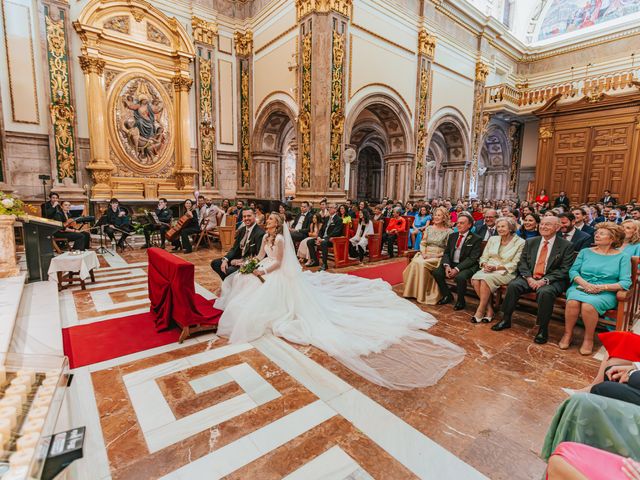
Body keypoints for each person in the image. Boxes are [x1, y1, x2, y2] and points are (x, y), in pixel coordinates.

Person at [215, 213, 465, 390]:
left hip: (276, 273)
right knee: (243, 279)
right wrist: (251, 266)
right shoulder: (266, 238)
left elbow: (279, 263)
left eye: (268, 220)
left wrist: (263, 272)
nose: (265, 222)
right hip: (266, 268)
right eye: (266, 220)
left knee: (266, 290)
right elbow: (261, 256)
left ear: (276, 224)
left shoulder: (280, 239)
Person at [492, 216, 575, 344]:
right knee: (514, 286)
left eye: (548, 224)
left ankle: (542, 329)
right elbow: (522, 262)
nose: (543, 227)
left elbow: (564, 269)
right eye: (542, 224)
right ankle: (505, 319)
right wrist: (529, 278)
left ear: (557, 228)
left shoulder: (566, 245)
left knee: (545, 292)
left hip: (552, 280)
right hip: (530, 276)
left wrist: (544, 280)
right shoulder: (531, 241)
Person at [561, 222, 632, 355]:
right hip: (581, 286)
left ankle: (588, 339)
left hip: (606, 291)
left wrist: (602, 287)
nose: (597, 235)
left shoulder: (623, 257)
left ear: (613, 239)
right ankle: (567, 334)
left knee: (589, 306)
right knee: (572, 302)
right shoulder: (585, 252)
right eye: (597, 233)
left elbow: (625, 282)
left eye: (601, 233)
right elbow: (573, 271)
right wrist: (584, 284)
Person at [470, 217, 525, 323]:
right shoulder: (493, 239)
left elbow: (515, 264)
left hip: (506, 271)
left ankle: (480, 310)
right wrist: (485, 264)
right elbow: (484, 257)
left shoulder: (520, 242)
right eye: (498, 226)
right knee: (475, 279)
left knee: (485, 280)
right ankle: (489, 310)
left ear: (511, 228)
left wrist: (495, 268)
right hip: (488, 268)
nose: (500, 229)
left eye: (503, 226)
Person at [432, 212, 483, 311]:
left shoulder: (476, 238)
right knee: (437, 272)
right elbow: (446, 253)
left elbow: (472, 258)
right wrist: (447, 266)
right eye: (458, 223)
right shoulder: (453, 236)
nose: (458, 225)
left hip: (467, 265)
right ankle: (447, 295)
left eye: (462, 223)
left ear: (469, 225)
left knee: (460, 277)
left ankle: (460, 300)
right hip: (452, 263)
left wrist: (457, 269)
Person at [402, 206, 452, 305]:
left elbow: (448, 250)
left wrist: (433, 256)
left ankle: (423, 294)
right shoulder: (429, 228)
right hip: (425, 253)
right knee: (416, 262)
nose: (436, 217)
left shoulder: (449, 231)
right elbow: (423, 243)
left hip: (438, 256)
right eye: (435, 215)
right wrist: (423, 253)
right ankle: (412, 292)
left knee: (422, 264)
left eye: (439, 215)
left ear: (444, 217)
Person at [211, 208, 265, 280]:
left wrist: (243, 262)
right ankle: (228, 284)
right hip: (237, 258)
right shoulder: (242, 230)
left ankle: (231, 284)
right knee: (215, 263)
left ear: (254, 216)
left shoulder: (260, 233)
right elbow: (234, 248)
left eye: (249, 216)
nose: (246, 218)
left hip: (248, 262)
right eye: (244, 216)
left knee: (229, 270)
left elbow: (259, 255)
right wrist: (225, 259)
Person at [306, 203, 344, 270]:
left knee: (324, 243)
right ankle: (315, 261)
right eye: (328, 207)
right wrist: (319, 237)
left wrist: (324, 239)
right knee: (309, 241)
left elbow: (336, 232)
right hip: (323, 238)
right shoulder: (327, 218)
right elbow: (321, 230)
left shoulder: (339, 219)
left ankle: (324, 264)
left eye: (331, 207)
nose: (329, 208)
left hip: (331, 240)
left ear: (335, 209)